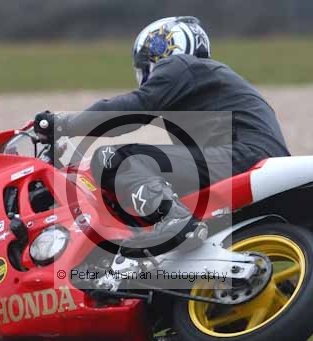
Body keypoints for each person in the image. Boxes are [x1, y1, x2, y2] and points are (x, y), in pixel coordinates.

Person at [33, 16, 290, 257]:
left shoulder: (181, 66)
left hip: (243, 154)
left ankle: (174, 219)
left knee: (115, 158)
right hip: (253, 155)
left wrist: (63, 124)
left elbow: (131, 111)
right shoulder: (203, 80)